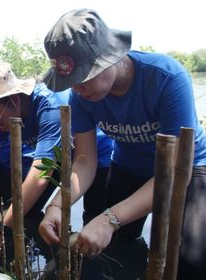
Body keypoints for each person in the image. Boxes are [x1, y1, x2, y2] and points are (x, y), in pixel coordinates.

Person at [39, 9, 206, 280]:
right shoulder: (81, 98)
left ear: (108, 57)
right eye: (71, 82)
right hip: (129, 164)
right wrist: (58, 205)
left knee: (192, 260)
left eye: (83, 77)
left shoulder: (166, 78)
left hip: (188, 169)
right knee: (103, 241)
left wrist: (111, 217)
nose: (77, 89)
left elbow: (175, 171)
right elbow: (84, 160)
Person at [0, 62, 70, 259]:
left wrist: (1, 230)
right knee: (27, 214)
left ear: (14, 99)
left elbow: (40, 175)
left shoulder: (50, 106)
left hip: (83, 156)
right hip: (49, 156)